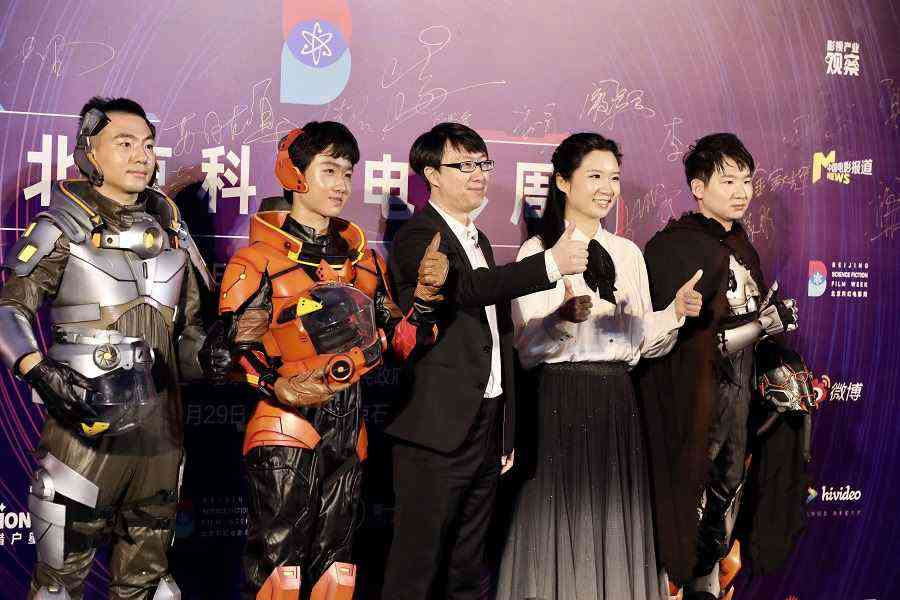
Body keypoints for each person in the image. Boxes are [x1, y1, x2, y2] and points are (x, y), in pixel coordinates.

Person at [204, 121, 436, 600]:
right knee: (278, 570)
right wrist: (272, 382)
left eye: (347, 173)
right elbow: (225, 353)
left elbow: (401, 343)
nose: (341, 184)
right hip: (285, 422)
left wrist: (426, 303)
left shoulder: (364, 262)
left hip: (349, 428)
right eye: (329, 170)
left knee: (338, 571)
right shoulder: (257, 261)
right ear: (294, 173)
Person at [0, 96, 212, 599]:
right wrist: (39, 371)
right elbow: (9, 310)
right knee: (58, 586)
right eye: (125, 143)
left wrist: (212, 356)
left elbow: (190, 340)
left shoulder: (173, 235)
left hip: (160, 439)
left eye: (148, 145)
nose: (142, 156)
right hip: (83, 436)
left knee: (151, 587)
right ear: (89, 152)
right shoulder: (62, 227)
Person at [381, 122, 590, 600]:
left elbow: (498, 335)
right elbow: (465, 290)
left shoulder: (479, 239)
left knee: (470, 567)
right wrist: (550, 264)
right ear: (432, 175)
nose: (479, 174)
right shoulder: (419, 236)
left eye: (483, 163)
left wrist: (505, 426)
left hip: (486, 425)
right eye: (465, 165)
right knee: (416, 569)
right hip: (436, 433)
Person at [495, 132, 702, 600]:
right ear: (563, 182)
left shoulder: (628, 253)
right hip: (559, 401)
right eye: (594, 176)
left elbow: (636, 340)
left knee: (614, 524)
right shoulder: (538, 253)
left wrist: (674, 313)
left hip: (617, 402)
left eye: (614, 178)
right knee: (557, 523)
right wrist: (562, 319)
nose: (607, 188)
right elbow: (525, 349)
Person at [636, 133, 804, 600]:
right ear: (698, 186)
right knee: (684, 523)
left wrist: (773, 342)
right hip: (692, 413)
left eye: (746, 180)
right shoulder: (672, 249)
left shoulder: (743, 247)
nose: (741, 191)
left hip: (738, 409)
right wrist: (762, 324)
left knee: (724, 514)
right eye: (728, 181)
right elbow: (680, 344)